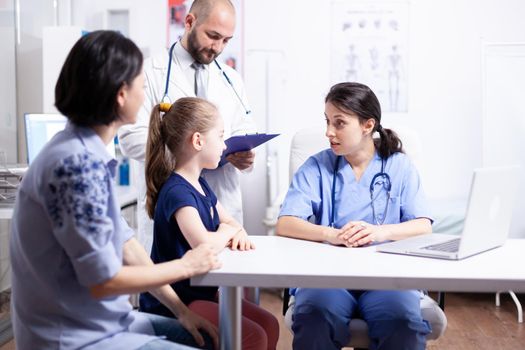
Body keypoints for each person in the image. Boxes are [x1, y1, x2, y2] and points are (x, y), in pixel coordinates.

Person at [9, 30, 222, 350]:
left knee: (204, 336)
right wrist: (188, 265)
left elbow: (128, 247)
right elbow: (102, 280)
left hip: (100, 321)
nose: (145, 89)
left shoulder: (84, 153)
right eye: (140, 82)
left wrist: (181, 311)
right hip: (71, 337)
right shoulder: (76, 166)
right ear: (121, 94)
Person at [276, 82, 433, 350]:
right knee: (315, 318)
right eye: (327, 121)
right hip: (328, 276)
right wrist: (331, 234)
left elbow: (422, 226)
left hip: (386, 275)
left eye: (339, 123)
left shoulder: (399, 166)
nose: (328, 132)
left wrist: (380, 232)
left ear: (367, 125)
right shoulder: (317, 166)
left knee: (401, 323)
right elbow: (285, 223)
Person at [139, 97, 279, 350]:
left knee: (269, 324)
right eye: (221, 136)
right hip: (176, 303)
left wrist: (230, 229)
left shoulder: (200, 184)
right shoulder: (177, 192)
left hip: (201, 292)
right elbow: (203, 244)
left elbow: (230, 221)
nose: (225, 145)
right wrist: (227, 231)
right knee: (253, 337)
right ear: (198, 141)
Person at [118, 0, 256, 253]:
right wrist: (187, 153)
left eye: (226, 40)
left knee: (221, 291)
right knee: (169, 283)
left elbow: (245, 130)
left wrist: (245, 157)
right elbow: (129, 137)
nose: (218, 48)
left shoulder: (232, 79)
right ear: (189, 22)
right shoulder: (149, 72)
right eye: (213, 36)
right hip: (170, 204)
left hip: (221, 204)